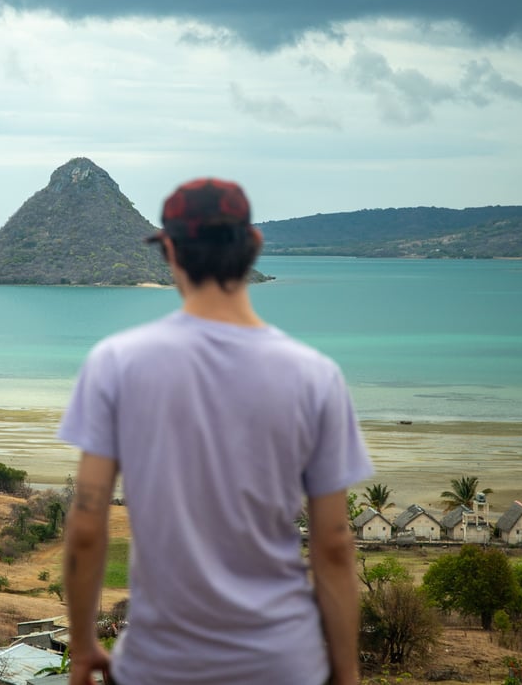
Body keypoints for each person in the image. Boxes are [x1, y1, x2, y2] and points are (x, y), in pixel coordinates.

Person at [59, 178, 373, 685]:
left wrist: (81, 646)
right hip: (282, 663)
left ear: (169, 253)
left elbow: (89, 522)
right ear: (254, 246)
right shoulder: (315, 376)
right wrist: (346, 671)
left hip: (159, 664)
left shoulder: (117, 363)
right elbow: (333, 544)